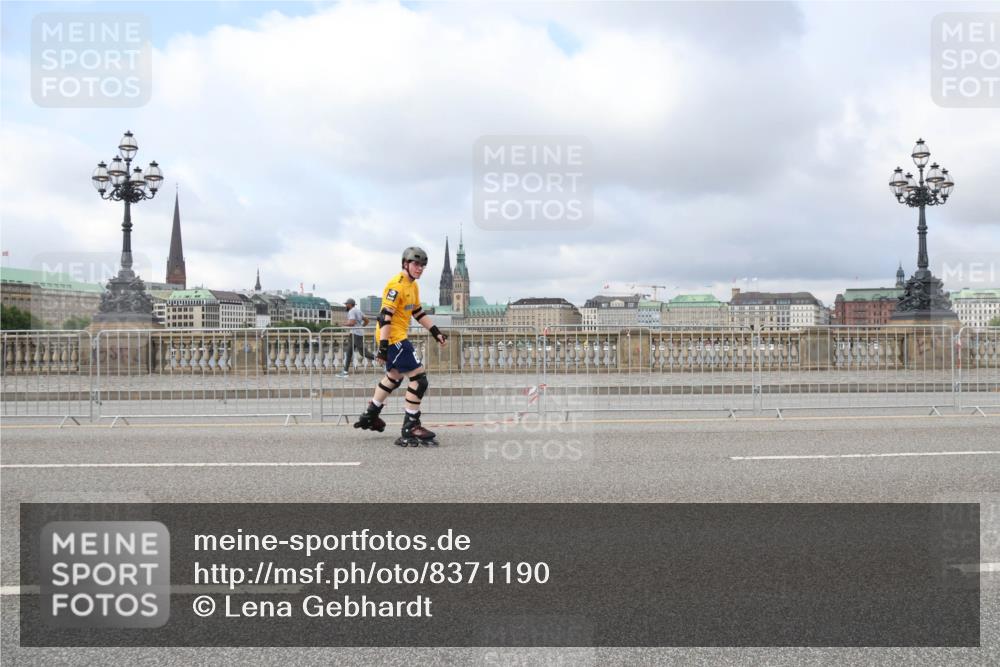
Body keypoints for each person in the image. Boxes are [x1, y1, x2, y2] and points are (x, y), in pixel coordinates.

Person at [353, 247, 448, 447]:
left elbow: (418, 313)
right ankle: (411, 426)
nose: (420, 268)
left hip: (396, 336)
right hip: (392, 337)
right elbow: (384, 317)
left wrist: (435, 331)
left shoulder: (413, 287)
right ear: (405, 263)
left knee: (394, 378)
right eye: (416, 264)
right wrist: (383, 349)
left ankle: (370, 414)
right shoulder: (395, 286)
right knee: (419, 379)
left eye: (423, 265)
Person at [338, 298, 374, 377]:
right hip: (355, 334)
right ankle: (345, 372)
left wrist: (343, 324)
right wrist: (361, 327)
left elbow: (352, 322)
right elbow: (367, 320)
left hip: (356, 334)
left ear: (350, 304)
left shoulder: (351, 311)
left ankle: (383, 360)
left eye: (346, 304)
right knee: (349, 353)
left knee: (363, 352)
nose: (345, 305)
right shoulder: (358, 310)